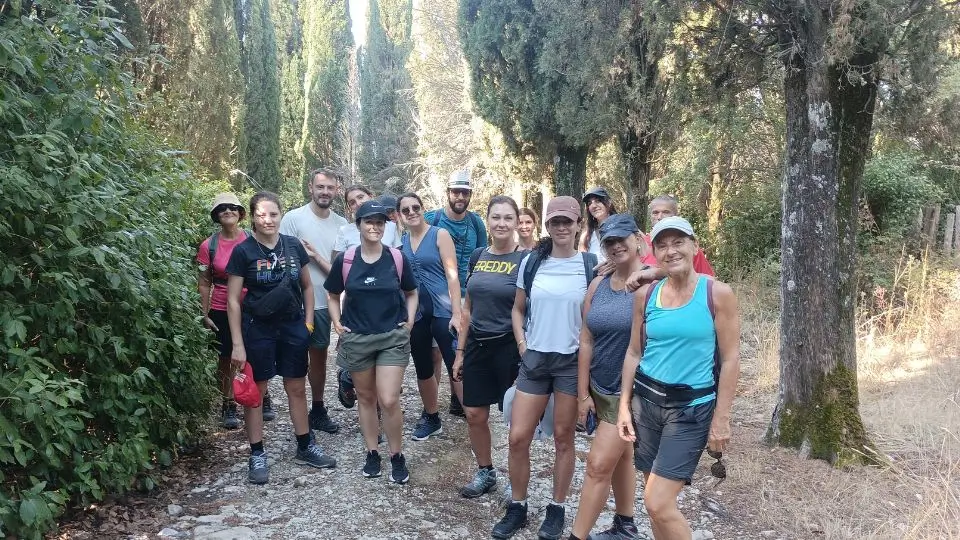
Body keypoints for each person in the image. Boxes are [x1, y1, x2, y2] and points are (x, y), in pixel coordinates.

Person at [617, 216, 740, 540]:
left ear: (694, 245)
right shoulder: (647, 294)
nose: (670, 251)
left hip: (691, 410)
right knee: (655, 502)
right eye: (662, 245)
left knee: (657, 502)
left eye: (678, 242)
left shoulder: (717, 294)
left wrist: (721, 419)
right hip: (646, 405)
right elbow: (633, 352)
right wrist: (623, 406)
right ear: (653, 253)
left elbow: (730, 359)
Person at [492, 196, 598, 540]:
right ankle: (518, 505)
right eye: (556, 222)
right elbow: (518, 309)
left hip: (570, 362)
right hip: (535, 358)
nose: (562, 228)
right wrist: (522, 345)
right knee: (518, 436)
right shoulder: (531, 263)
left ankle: (556, 508)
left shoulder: (590, 265)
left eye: (568, 221)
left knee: (564, 438)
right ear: (547, 226)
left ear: (578, 224)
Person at [226, 192, 337, 485]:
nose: (268, 220)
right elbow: (234, 301)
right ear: (252, 217)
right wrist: (237, 343)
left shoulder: (292, 246)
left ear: (280, 215)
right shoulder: (244, 251)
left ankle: (304, 445)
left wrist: (309, 324)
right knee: (257, 392)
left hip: (291, 326)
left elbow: (308, 287)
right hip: (257, 328)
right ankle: (257, 453)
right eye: (261, 215)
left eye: (273, 214)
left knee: (296, 387)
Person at [324, 200, 419, 484]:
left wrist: (410, 321)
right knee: (365, 398)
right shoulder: (347, 260)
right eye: (369, 222)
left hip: (392, 337)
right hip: (358, 339)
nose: (375, 227)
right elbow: (332, 294)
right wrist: (336, 321)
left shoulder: (396, 258)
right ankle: (372, 452)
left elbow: (411, 292)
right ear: (359, 225)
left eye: (380, 222)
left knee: (388, 399)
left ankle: (397, 455)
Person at [569, 215, 644, 540]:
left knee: (598, 465)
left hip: (630, 393)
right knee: (621, 455)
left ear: (638, 238)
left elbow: (688, 276)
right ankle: (625, 524)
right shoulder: (599, 283)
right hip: (600, 386)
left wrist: (654, 270)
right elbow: (586, 338)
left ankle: (577, 536)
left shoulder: (654, 283)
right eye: (608, 242)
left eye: (621, 239)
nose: (615, 246)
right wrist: (582, 392)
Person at [451, 195, 527, 499]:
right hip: (478, 345)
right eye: (496, 217)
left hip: (510, 347)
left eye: (508, 218)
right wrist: (459, 351)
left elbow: (529, 308)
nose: (501, 223)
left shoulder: (527, 259)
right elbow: (468, 306)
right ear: (488, 220)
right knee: (474, 413)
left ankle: (515, 478)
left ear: (517, 222)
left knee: (515, 421)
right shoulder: (478, 255)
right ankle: (486, 471)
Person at [279, 168, 347, 435]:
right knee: (295, 360)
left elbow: (343, 271)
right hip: (297, 302)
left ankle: (317, 408)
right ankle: (294, 412)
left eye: (330, 188)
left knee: (319, 357)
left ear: (337, 190)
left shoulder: (342, 224)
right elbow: (283, 259)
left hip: (328, 301)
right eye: (321, 187)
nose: (325, 192)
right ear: (311, 187)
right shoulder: (293, 219)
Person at [397, 192, 463, 440]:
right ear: (400, 216)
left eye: (416, 207)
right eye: (406, 210)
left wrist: (457, 313)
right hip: (416, 314)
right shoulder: (401, 242)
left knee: (454, 364)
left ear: (423, 209)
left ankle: (473, 414)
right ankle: (432, 416)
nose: (412, 212)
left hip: (443, 309)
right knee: (423, 366)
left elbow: (452, 276)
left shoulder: (439, 234)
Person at [423, 170, 488, 417]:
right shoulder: (433, 218)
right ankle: (431, 406)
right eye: (456, 191)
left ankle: (457, 399)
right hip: (436, 295)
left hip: (467, 294)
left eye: (465, 192)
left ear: (470, 194)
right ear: (448, 193)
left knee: (460, 348)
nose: (460, 196)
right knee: (435, 351)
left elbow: (483, 258)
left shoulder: (476, 223)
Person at [332, 185, 402, 410]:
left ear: (371, 196)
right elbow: (336, 268)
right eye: (351, 201)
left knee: (386, 377)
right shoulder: (345, 232)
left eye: (360, 197)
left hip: (388, 303)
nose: (357, 203)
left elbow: (399, 263)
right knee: (366, 374)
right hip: (357, 306)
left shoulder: (390, 227)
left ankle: (381, 415)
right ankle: (349, 379)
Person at [197, 193, 250, 429]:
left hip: (252, 305)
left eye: (232, 207)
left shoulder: (251, 239)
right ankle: (228, 403)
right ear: (216, 216)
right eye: (222, 209)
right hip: (220, 306)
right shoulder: (208, 246)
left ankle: (259, 396)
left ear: (240, 213)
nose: (228, 211)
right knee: (225, 357)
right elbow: (204, 281)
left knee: (257, 351)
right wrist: (205, 313)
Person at [629, 195, 714, 286]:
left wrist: (655, 273)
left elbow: (709, 280)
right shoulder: (640, 244)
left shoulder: (688, 247)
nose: (660, 217)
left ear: (675, 215)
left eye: (666, 212)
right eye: (655, 213)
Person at [580, 187, 617, 265]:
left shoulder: (624, 225)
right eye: (590, 203)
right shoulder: (587, 235)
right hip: (595, 275)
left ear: (609, 202)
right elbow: (582, 262)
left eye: (598, 201)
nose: (594, 206)